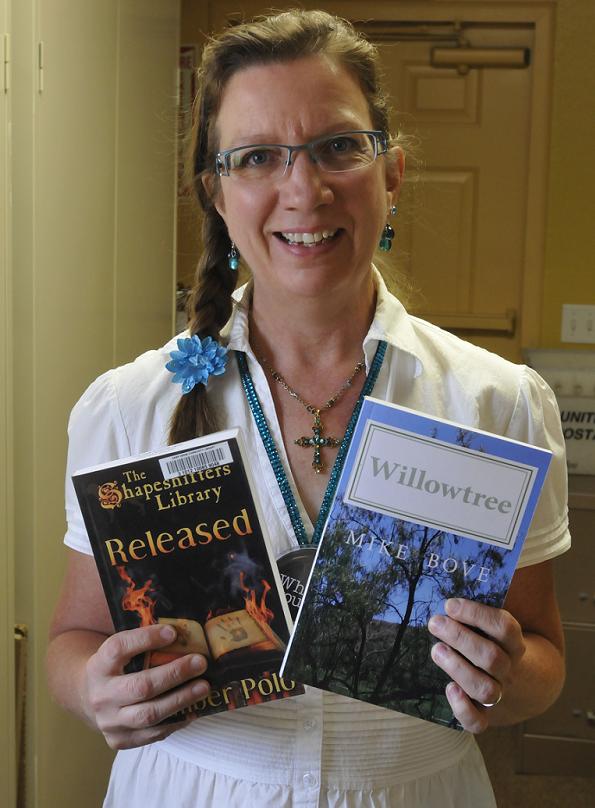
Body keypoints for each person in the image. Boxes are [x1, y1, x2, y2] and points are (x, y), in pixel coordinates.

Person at [47, 9, 569, 807]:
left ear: (390, 172)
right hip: (190, 787)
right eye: (257, 157)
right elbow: (71, 639)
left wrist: (504, 677)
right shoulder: (128, 404)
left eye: (337, 146)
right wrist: (95, 690)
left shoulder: (495, 401)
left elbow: (542, 663)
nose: (304, 189)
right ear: (215, 191)